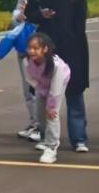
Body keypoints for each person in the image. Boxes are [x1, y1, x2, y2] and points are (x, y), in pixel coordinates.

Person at [24, 0, 90, 152]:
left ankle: (78, 138)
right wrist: (41, 14)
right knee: (44, 94)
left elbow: (81, 13)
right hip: (47, 48)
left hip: (72, 46)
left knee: (74, 92)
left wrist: (75, 38)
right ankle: (46, 137)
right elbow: (30, 13)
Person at [24, 32, 70, 165]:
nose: (32, 51)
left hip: (58, 85)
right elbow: (29, 79)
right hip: (41, 86)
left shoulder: (56, 65)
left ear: (45, 49)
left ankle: (52, 147)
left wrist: (50, 106)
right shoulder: (26, 61)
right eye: (29, 48)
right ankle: (45, 139)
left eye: (36, 48)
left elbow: (55, 90)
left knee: (52, 114)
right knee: (40, 114)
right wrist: (40, 89)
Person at [12, 0, 40, 141]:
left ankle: (41, 126)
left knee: (37, 87)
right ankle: (33, 122)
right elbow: (16, 18)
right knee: (27, 88)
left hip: (37, 47)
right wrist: (19, 15)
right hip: (23, 44)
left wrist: (28, 15)